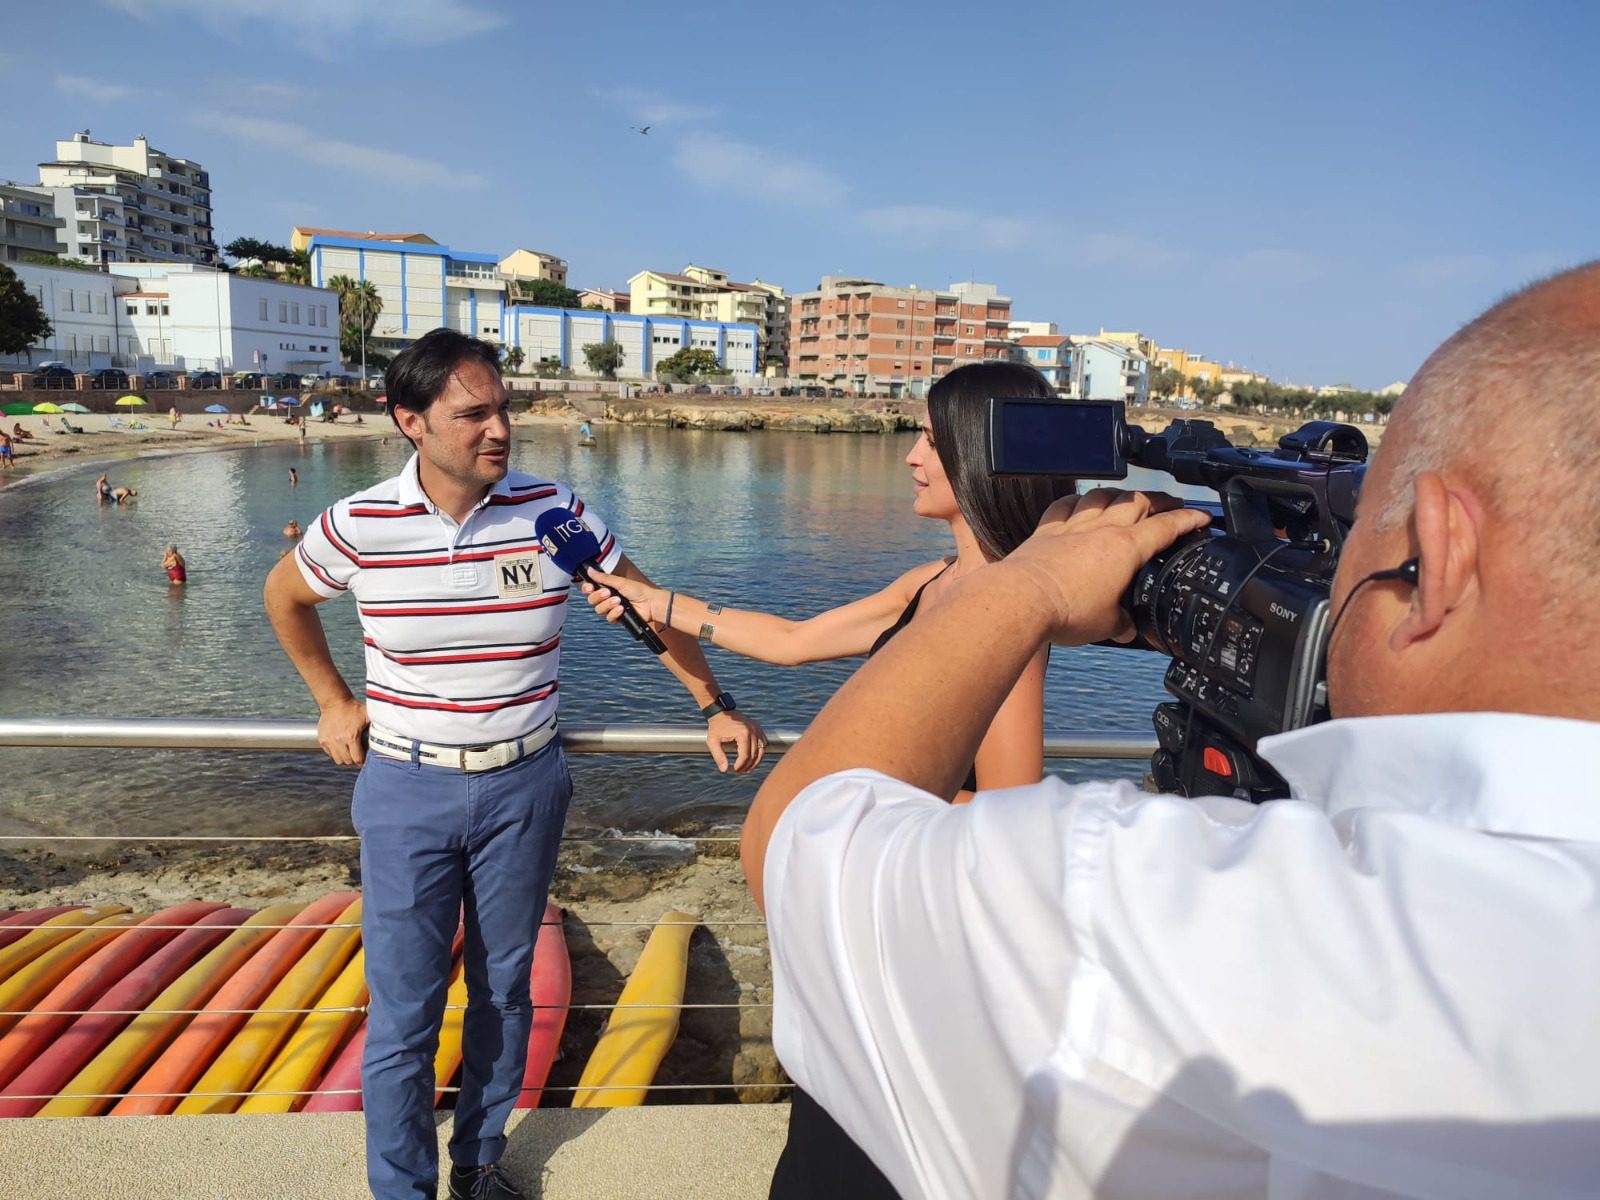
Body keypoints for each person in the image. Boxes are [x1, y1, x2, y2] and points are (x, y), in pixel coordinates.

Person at [742, 263, 1600, 1200]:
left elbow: (799, 842)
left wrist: (1030, 584)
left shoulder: (1163, 910)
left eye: (1349, 545)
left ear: (1441, 553)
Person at [263, 329, 767, 1200]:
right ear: (411, 421)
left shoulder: (553, 513)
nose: (499, 429)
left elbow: (648, 607)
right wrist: (332, 700)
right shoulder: (358, 523)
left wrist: (713, 703)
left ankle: (479, 1165)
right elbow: (284, 596)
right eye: (474, 414)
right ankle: (401, 1189)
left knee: (503, 992)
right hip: (406, 787)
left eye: (504, 409)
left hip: (525, 787)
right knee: (406, 1009)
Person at [584, 361, 1074, 1198]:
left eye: (931, 439)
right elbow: (793, 639)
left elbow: (1008, 818)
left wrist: (845, 782)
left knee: (862, 1153)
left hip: (926, 934)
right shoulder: (934, 582)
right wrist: (654, 602)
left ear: (982, 456)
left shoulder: (1006, 612)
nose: (911, 456)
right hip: (879, 912)